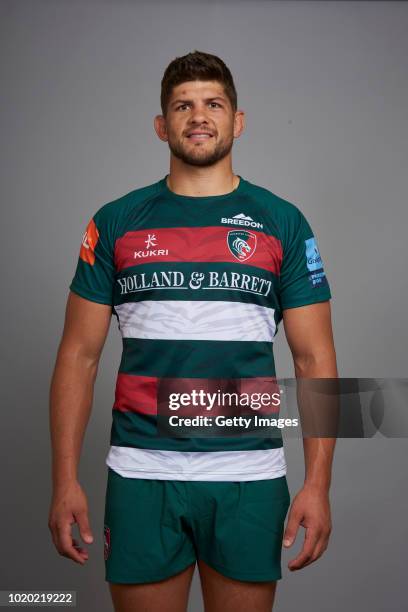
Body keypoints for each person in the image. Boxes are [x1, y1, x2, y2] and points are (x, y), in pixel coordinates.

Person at [48, 50, 337, 612]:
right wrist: (64, 479)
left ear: (238, 120)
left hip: (249, 477)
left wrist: (319, 485)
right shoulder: (116, 222)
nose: (198, 116)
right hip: (140, 475)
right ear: (162, 125)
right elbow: (78, 358)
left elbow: (315, 360)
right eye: (183, 105)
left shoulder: (283, 222)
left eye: (213, 103)